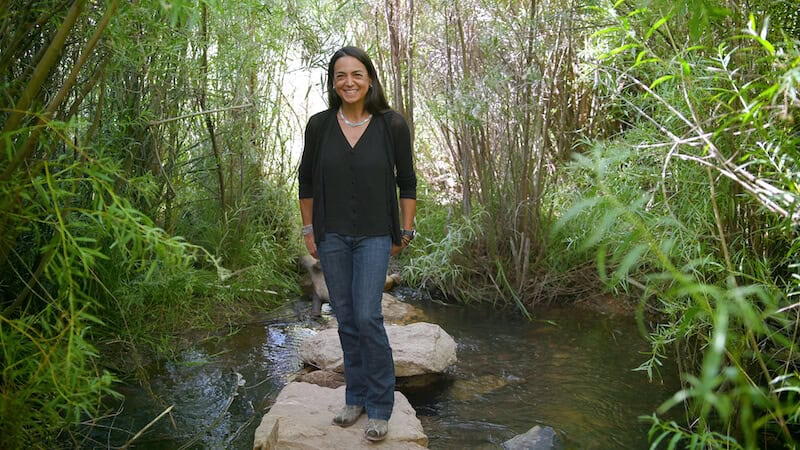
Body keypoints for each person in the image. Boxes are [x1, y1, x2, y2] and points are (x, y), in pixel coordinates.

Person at [297, 46, 417, 442]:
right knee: (346, 319)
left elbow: (408, 182)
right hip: (331, 235)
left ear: (369, 79)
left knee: (368, 317)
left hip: (374, 236)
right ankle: (356, 396)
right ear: (333, 82)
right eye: (341, 75)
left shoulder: (391, 125)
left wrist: (406, 229)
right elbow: (307, 182)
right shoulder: (318, 126)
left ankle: (380, 406)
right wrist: (309, 231)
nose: (349, 82)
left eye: (357, 74)